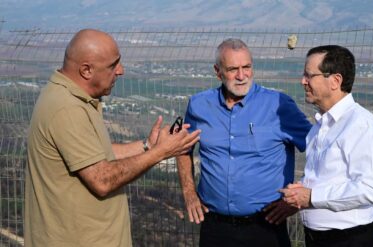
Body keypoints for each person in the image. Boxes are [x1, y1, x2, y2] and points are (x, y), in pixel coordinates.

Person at [25, 29, 201, 247]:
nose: (121, 70)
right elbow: (102, 180)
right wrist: (161, 153)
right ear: (86, 70)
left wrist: (147, 146)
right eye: (113, 65)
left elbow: (95, 155)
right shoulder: (67, 109)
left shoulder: (74, 99)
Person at [177, 38, 312, 247]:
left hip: (266, 227)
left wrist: (299, 198)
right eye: (233, 69)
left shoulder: (278, 105)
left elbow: (320, 150)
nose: (241, 76)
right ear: (218, 71)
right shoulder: (199, 105)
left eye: (246, 67)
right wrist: (188, 192)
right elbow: (182, 148)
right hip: (214, 227)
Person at [280, 45, 373, 247]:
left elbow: (372, 188)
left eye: (309, 75)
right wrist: (300, 192)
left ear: (335, 81)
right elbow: (329, 176)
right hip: (318, 238)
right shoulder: (320, 126)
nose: (303, 81)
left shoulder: (360, 124)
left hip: (347, 239)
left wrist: (311, 197)